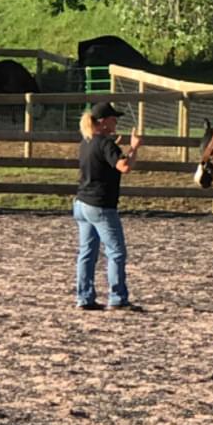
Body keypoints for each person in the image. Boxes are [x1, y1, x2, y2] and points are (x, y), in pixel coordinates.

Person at [73, 101, 143, 311]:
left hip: (82, 203)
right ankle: (117, 297)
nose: (116, 122)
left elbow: (108, 162)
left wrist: (117, 147)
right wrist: (134, 147)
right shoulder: (106, 144)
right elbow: (124, 166)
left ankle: (84, 297)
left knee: (87, 253)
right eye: (113, 119)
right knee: (116, 252)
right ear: (103, 122)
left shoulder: (87, 142)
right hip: (101, 205)